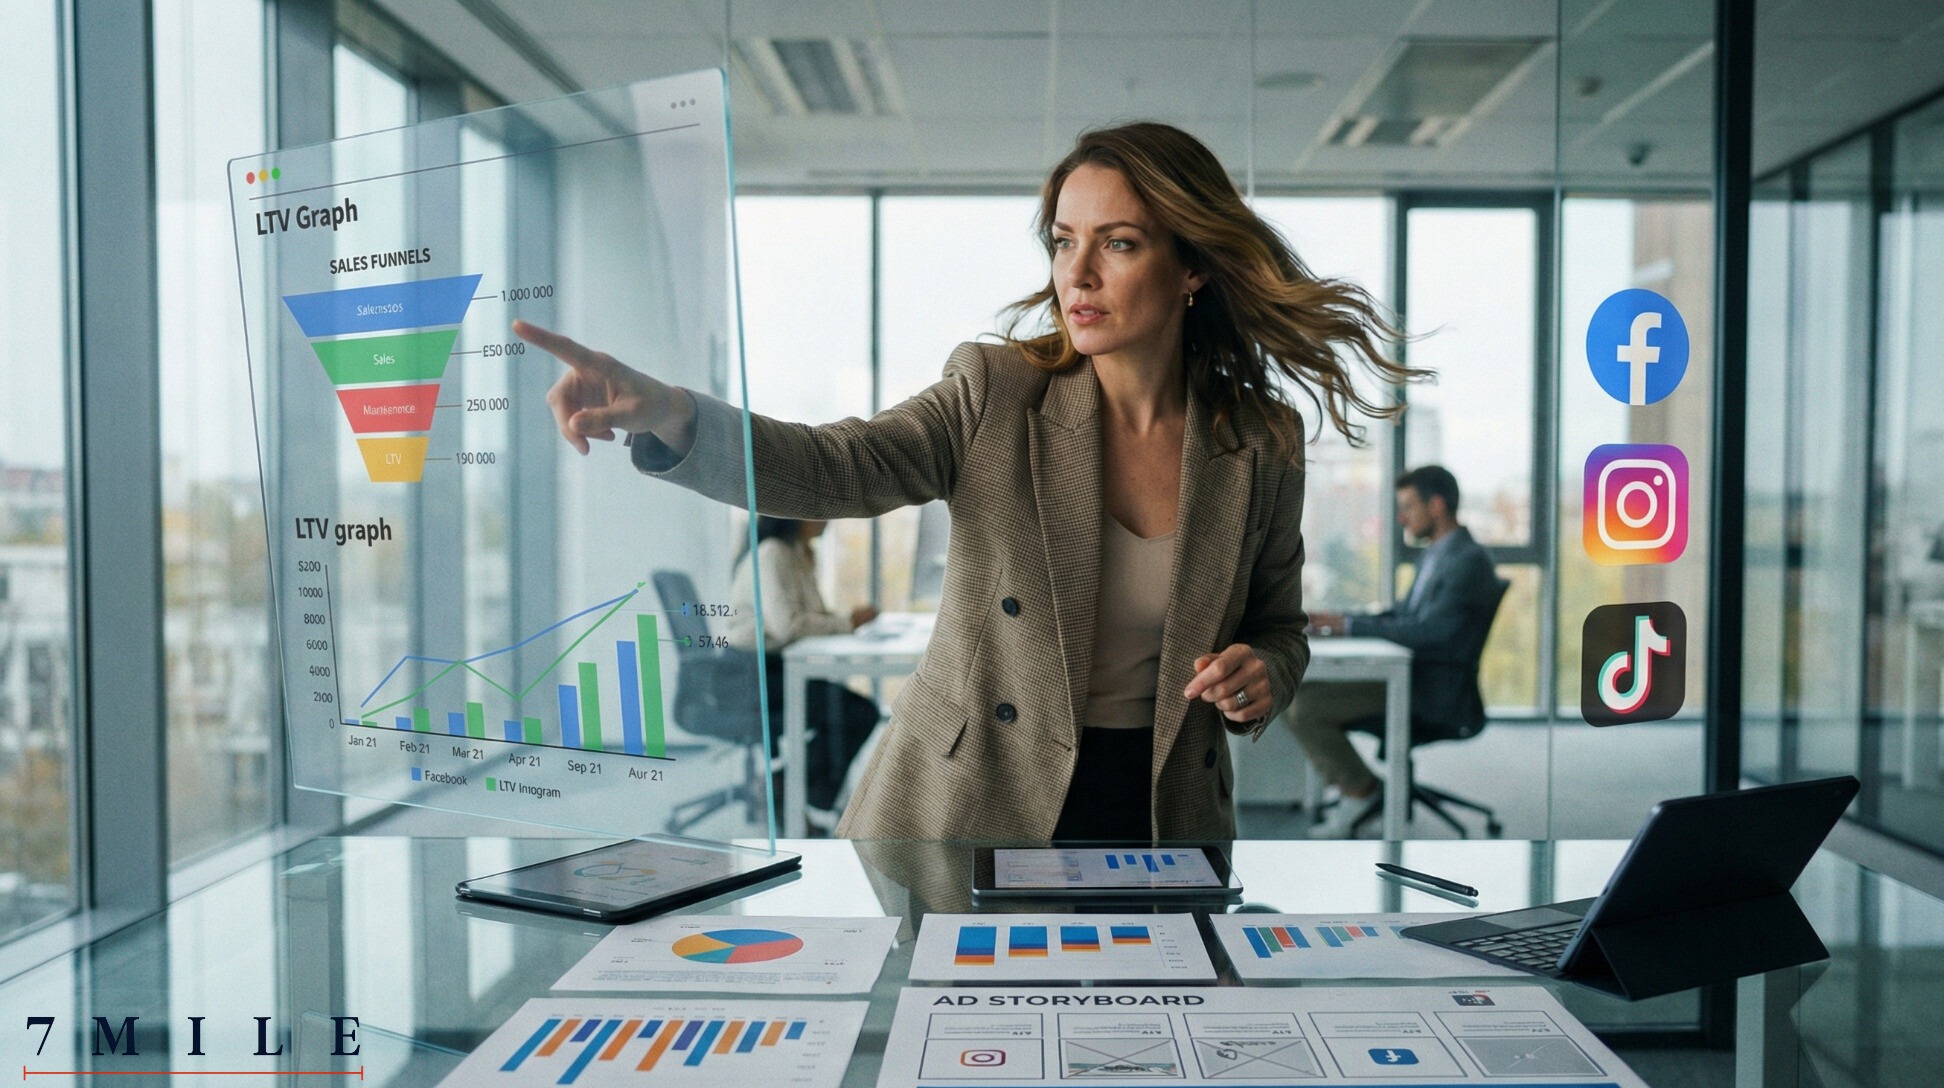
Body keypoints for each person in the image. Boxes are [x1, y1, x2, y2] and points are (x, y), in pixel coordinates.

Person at [519, 121, 1423, 844]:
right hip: (973, 798)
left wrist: (1265, 671)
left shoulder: (1260, 439)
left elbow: (1279, 626)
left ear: (1191, 266)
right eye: (1063, 241)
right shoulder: (997, 392)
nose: (1077, 273)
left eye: (1118, 243)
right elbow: (836, 464)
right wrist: (674, 413)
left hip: (1162, 808)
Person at [1293, 464, 1499, 838]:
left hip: (1433, 691)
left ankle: (1363, 791)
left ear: (1436, 506)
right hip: (1416, 676)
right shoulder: (1440, 553)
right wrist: (1341, 620)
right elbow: (1403, 616)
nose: (1402, 518)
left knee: (1304, 707)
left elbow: (1432, 633)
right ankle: (1362, 789)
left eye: (1408, 507)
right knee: (1296, 693)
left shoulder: (1467, 561)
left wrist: (1348, 627)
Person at [722, 516, 881, 825]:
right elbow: (787, 626)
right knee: (855, 712)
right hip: (748, 674)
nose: (828, 519)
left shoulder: (797, 552)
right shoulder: (772, 552)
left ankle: (785, 787)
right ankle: (788, 789)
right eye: (819, 511)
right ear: (794, 515)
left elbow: (812, 614)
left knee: (850, 709)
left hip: (775, 666)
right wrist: (846, 623)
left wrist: (845, 620)